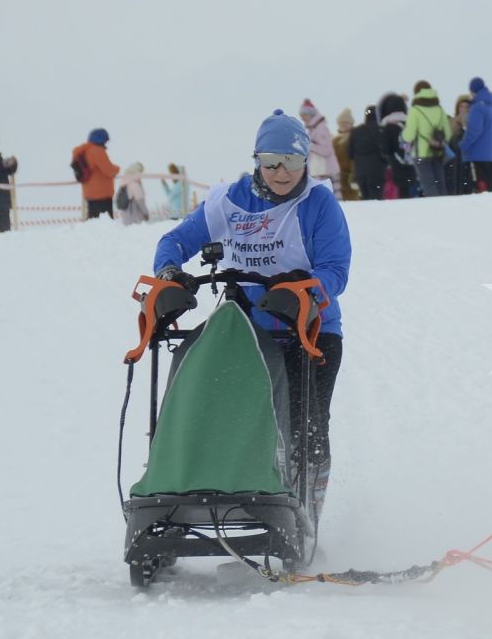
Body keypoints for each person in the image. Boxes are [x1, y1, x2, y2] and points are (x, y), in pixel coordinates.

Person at [152, 110, 351, 524]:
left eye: (293, 163)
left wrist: (303, 291)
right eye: (272, 162)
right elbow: (174, 240)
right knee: (220, 411)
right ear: (257, 159)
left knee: (305, 422)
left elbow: (336, 270)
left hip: (310, 330)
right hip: (246, 330)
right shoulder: (228, 200)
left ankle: (306, 513)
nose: (282, 173)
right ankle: (193, 491)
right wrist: (168, 274)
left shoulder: (318, 203)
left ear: (305, 162)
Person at [402, 83, 449, 197]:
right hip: (437, 150)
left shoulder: (415, 110)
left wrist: (403, 135)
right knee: (440, 181)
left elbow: (409, 136)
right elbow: (447, 133)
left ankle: (434, 207)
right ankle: (445, 205)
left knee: (428, 183)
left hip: (421, 153)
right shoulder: (440, 109)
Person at [71, 127, 119, 218]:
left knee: (93, 224)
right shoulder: (97, 151)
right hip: (102, 194)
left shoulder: (84, 151)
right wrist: (117, 169)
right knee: (105, 224)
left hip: (90, 193)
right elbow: (109, 170)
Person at [459, 76, 492, 193]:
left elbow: (474, 131)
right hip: (488, 153)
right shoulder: (490, 106)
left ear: (472, 90)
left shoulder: (477, 108)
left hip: (476, 154)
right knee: (487, 186)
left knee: (479, 188)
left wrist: (462, 146)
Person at [348, 104, 387, 201]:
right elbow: (386, 149)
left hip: (360, 172)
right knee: (376, 198)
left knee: (365, 198)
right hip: (377, 171)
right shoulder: (381, 130)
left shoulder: (355, 131)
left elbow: (349, 153)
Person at [299, 100, 340, 190]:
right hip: (318, 171)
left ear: (311, 114)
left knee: (330, 200)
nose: (303, 118)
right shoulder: (312, 129)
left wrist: (309, 145)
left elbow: (326, 150)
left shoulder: (321, 128)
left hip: (326, 172)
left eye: (304, 115)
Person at [377, 91, 411, 197]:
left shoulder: (389, 126)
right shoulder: (409, 123)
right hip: (412, 163)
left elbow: (385, 149)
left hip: (396, 167)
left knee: (400, 195)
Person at [332, 109, 355, 198]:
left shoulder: (354, 137)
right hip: (339, 175)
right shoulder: (335, 140)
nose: (343, 125)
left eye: (346, 123)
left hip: (351, 174)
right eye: (341, 123)